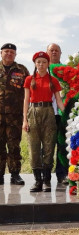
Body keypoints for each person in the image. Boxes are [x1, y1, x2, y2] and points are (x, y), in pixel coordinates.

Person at [22, 51, 64, 192]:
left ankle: (47, 181)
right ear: (35, 63)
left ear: (48, 64)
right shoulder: (29, 79)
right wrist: (25, 120)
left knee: (49, 147)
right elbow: (26, 100)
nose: (41, 64)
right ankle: (37, 181)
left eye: (44, 62)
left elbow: (58, 100)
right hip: (33, 112)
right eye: (38, 62)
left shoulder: (53, 81)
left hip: (48, 113)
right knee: (34, 148)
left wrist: (67, 113)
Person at [0, 43, 29, 185]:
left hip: (15, 116)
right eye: (6, 51)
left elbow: (30, 91)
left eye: (12, 52)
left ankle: (15, 174)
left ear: (15, 54)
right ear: (1, 53)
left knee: (14, 146)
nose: (9, 54)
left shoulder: (22, 70)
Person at [46, 43, 68, 184]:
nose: (54, 53)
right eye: (51, 50)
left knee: (62, 145)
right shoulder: (40, 69)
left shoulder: (66, 70)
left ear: (61, 53)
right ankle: (44, 175)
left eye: (56, 51)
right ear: (46, 52)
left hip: (62, 112)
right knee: (46, 145)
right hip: (46, 112)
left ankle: (61, 174)